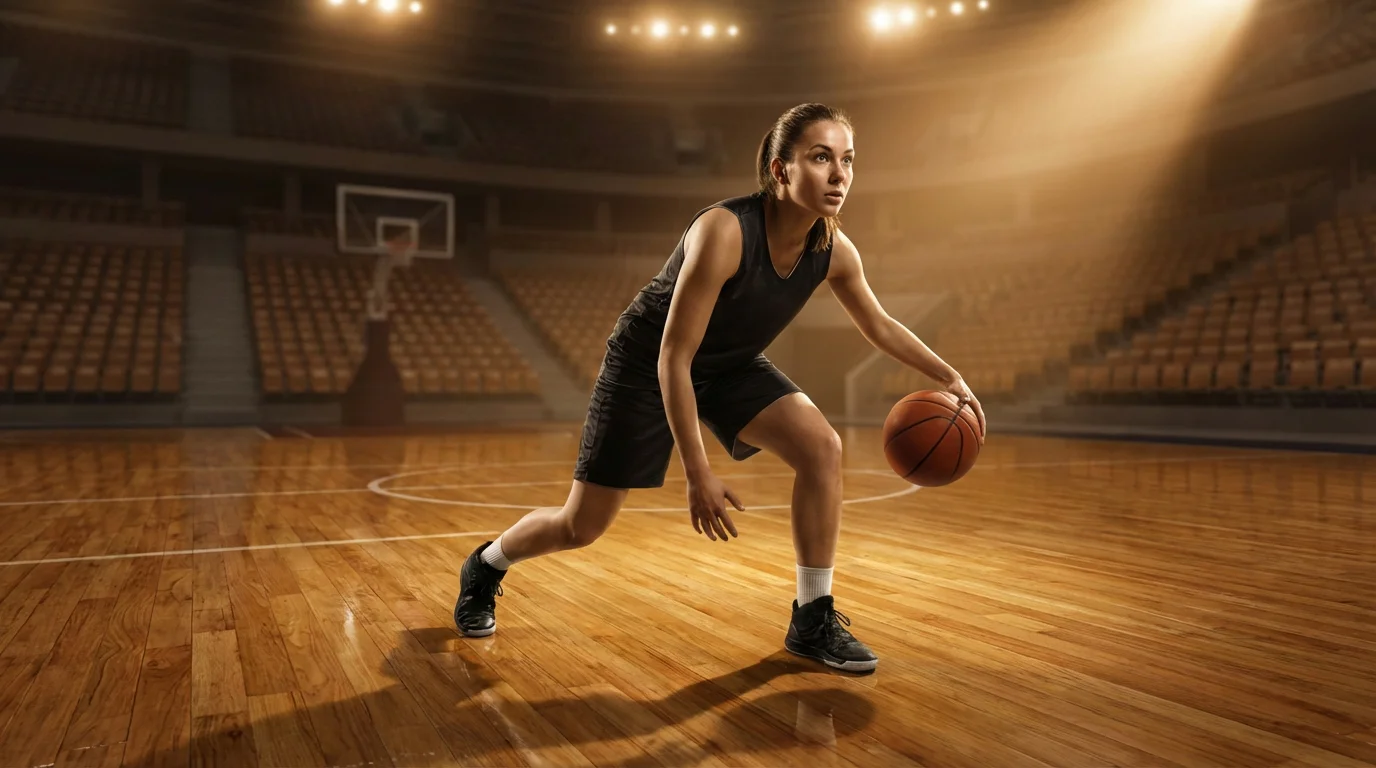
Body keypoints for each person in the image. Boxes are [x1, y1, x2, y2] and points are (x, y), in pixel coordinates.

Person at [454, 103, 986, 674]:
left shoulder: (835, 250)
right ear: (781, 172)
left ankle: (812, 619)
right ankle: (487, 564)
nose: (839, 174)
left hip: (729, 365)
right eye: (821, 157)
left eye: (848, 160)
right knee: (581, 526)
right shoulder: (724, 231)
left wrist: (948, 376)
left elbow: (879, 325)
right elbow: (673, 356)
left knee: (822, 447)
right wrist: (698, 471)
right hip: (645, 363)